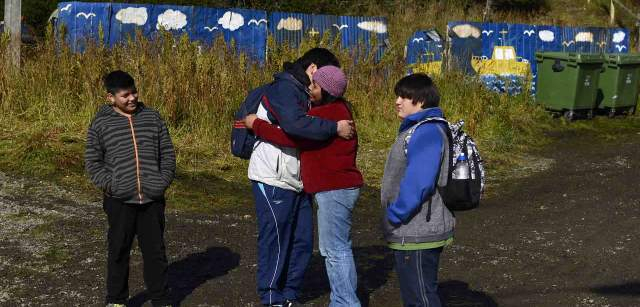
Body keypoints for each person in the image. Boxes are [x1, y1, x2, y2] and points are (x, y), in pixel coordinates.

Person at [245, 65, 363, 306]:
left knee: (334, 250)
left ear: (328, 91)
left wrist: (256, 124)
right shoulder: (335, 111)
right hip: (334, 187)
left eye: (316, 86)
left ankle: (345, 302)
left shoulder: (329, 115)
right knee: (330, 246)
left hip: (333, 188)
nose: (310, 89)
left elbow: (293, 134)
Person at [85, 70, 175, 307]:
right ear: (111, 98)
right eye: (125, 95)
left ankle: (161, 299)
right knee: (118, 251)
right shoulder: (101, 123)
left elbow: (167, 153)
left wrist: (161, 181)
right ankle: (116, 300)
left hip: (152, 200)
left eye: (134, 92)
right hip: (119, 201)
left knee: (155, 253)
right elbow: (93, 162)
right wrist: (112, 186)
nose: (132, 98)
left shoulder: (152, 117)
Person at [380, 73, 454, 307]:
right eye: (397, 96)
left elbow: (420, 182)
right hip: (413, 228)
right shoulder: (418, 129)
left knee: (420, 298)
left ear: (421, 101)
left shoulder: (426, 131)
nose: (397, 101)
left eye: (404, 96)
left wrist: (395, 214)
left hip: (417, 229)